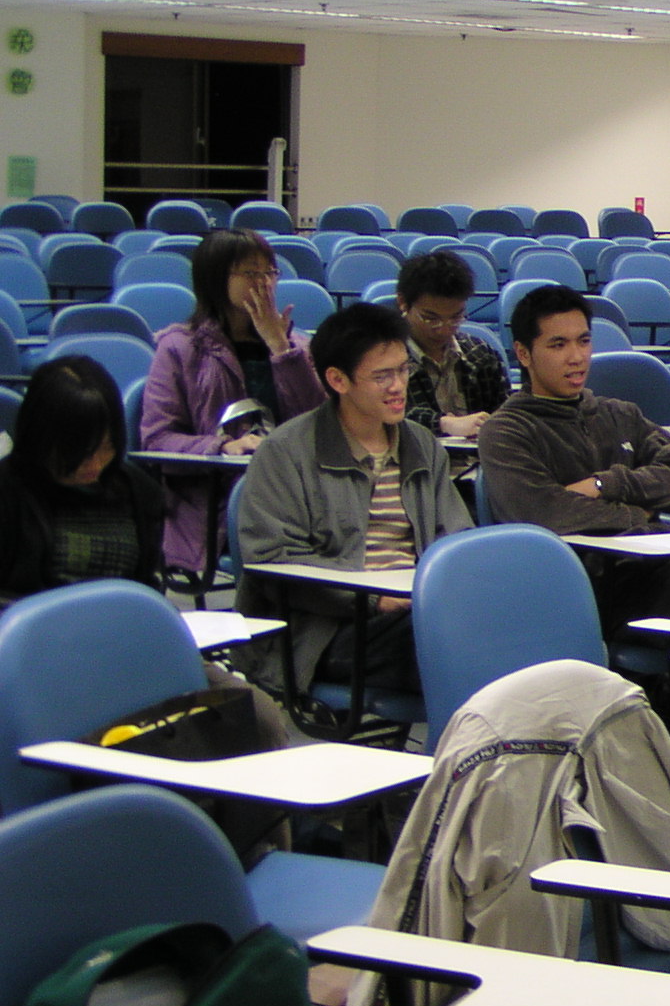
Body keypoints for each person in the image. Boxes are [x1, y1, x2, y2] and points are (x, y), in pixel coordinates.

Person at [236, 304, 472, 693]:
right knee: (456, 641)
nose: (398, 386)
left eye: (403, 370)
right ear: (337, 379)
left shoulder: (422, 444)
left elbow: (457, 540)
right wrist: (374, 599)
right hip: (326, 632)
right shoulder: (285, 452)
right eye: (382, 376)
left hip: (421, 609)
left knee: (505, 621)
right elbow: (273, 559)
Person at [478, 284, 670, 631]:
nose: (576, 357)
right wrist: (638, 513)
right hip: (584, 583)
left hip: (652, 555)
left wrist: (604, 484)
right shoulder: (507, 431)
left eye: (584, 341)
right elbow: (545, 513)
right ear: (524, 354)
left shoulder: (619, 413)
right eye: (558, 345)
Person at [141, 227, 324, 578]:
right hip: (217, 503)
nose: (264, 283)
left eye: (270, 272)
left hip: (294, 495)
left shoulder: (296, 347)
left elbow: (319, 424)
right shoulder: (179, 347)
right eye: (250, 273)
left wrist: (279, 348)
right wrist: (222, 446)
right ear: (215, 279)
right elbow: (157, 439)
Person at [0, 356, 164, 609]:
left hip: (117, 624)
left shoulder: (140, 491)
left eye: (107, 447)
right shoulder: (8, 493)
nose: (96, 464)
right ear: (41, 439)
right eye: (81, 452)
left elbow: (145, 586)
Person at [397, 249, 509, 440]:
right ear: (403, 303)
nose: (444, 329)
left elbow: (505, 412)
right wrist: (443, 423)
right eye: (431, 318)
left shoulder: (480, 353)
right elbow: (379, 417)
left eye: (456, 317)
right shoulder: (385, 359)